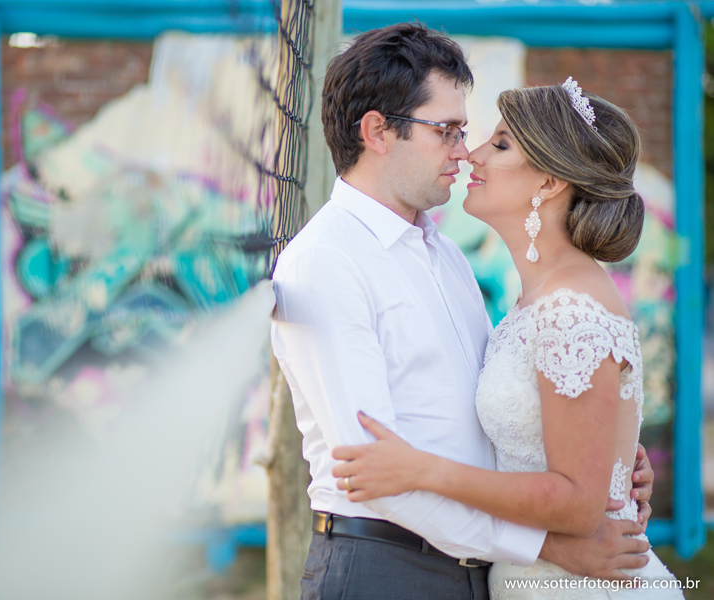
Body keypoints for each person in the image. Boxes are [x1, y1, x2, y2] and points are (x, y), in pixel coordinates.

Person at [270, 23, 655, 600]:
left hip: (480, 572)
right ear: (377, 131)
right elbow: (377, 475)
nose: (463, 151)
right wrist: (548, 545)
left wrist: (606, 456)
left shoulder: (445, 254)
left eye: (470, 133)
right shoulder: (326, 263)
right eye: (446, 130)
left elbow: (494, 411)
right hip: (386, 568)